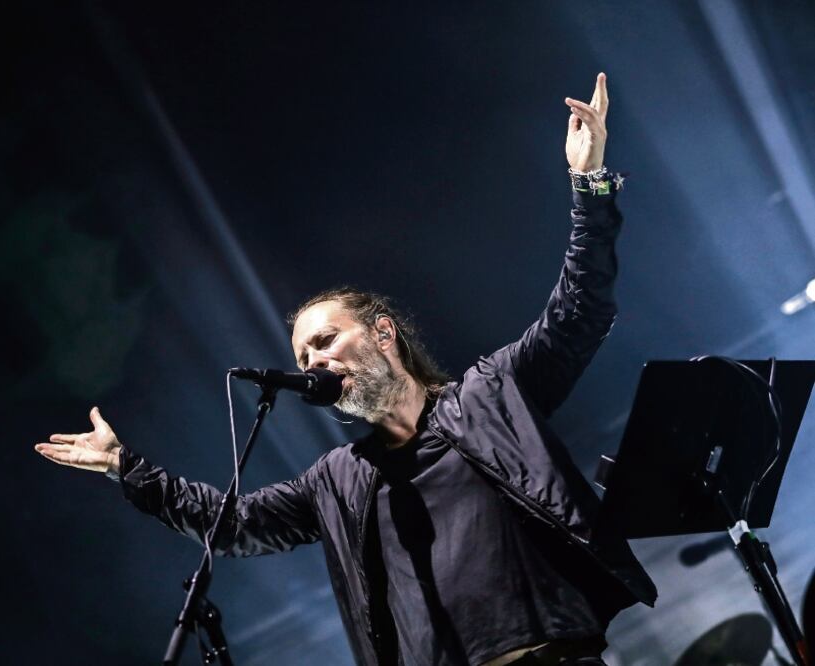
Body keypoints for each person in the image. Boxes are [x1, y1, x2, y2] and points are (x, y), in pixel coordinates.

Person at [35, 72, 657, 666]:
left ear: (383, 333)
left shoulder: (490, 396)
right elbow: (234, 524)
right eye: (303, 357)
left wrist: (591, 184)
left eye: (326, 341)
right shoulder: (338, 481)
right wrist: (127, 468)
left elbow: (580, 307)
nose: (314, 362)